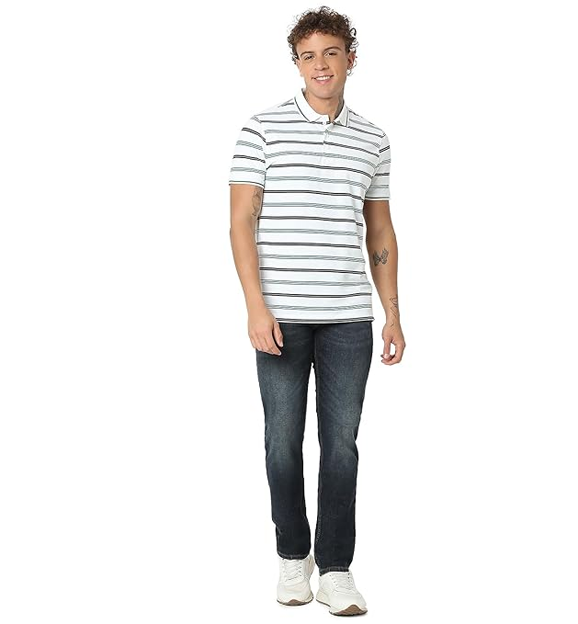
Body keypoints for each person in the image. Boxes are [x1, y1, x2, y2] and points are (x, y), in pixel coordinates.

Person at [228, 6, 405, 616]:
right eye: (308, 56)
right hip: (279, 317)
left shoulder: (374, 138)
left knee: (341, 447)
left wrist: (392, 313)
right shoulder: (261, 129)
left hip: (348, 318)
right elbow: (241, 222)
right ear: (297, 64)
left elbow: (380, 230)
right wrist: (255, 307)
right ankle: (291, 554)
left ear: (350, 58)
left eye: (331, 53)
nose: (320, 65)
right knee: (281, 443)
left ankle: (334, 568)